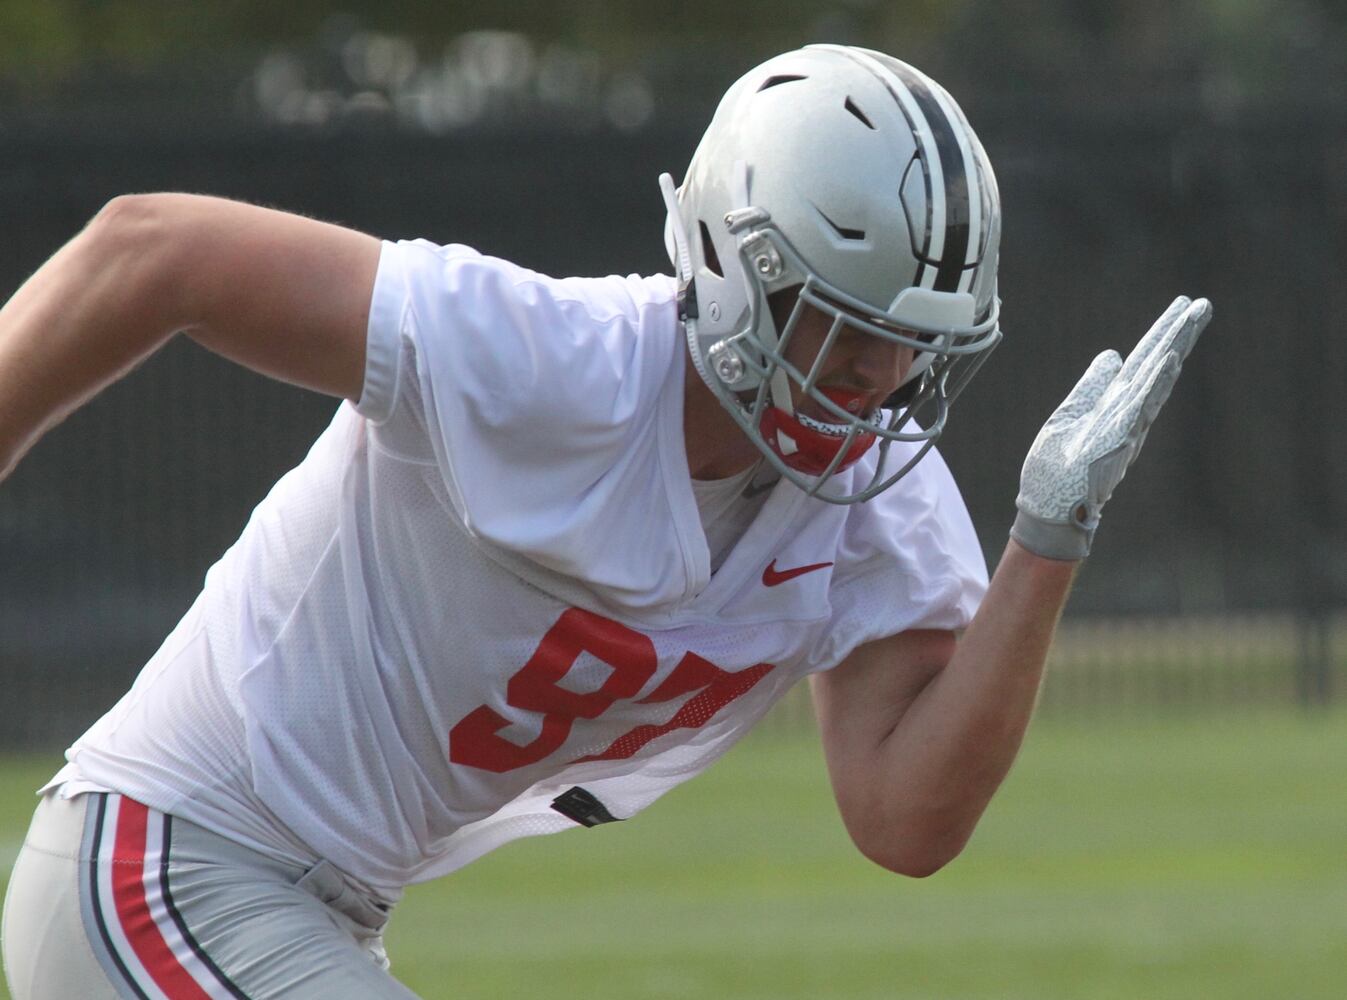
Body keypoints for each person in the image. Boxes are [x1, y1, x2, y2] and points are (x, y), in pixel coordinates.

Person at [0, 44, 1209, 999]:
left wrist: (1048, 535)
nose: (877, 374)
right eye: (839, 321)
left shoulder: (873, 494)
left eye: (912, 344)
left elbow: (907, 820)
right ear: (738, 265)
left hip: (317, 910)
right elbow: (148, 251)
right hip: (162, 863)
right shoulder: (550, 363)